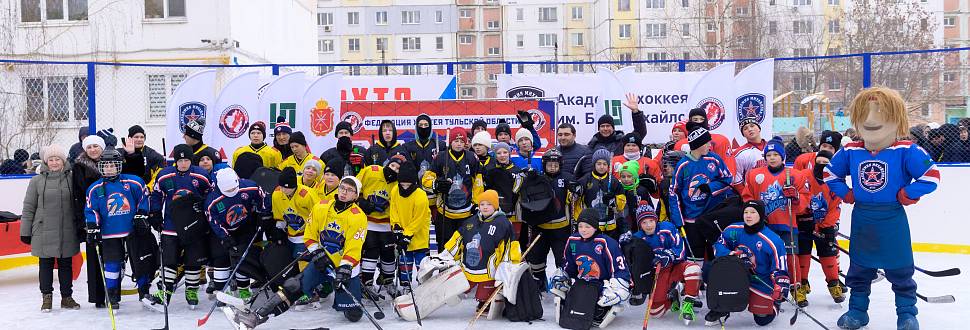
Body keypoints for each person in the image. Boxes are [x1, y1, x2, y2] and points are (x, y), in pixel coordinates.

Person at [824, 87, 940, 330]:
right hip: (863, 219)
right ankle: (857, 311)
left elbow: (932, 176)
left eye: (880, 112)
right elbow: (829, 173)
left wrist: (909, 193)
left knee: (900, 269)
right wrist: (846, 193)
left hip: (892, 219)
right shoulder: (851, 150)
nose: (871, 119)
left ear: (896, 117)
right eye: (865, 113)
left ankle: (907, 314)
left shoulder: (906, 150)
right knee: (859, 268)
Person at [425, 189, 519, 313]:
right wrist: (445, 254)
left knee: (483, 297)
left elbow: (509, 246)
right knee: (453, 291)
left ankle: (486, 300)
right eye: (482, 204)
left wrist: (509, 265)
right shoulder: (471, 221)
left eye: (489, 204)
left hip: (489, 270)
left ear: (496, 206)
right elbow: (458, 239)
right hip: (468, 267)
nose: (485, 207)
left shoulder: (503, 223)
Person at [143, 144, 213, 309]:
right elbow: (156, 195)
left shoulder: (201, 176)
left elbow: (209, 195)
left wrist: (205, 214)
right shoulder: (165, 175)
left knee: (193, 260)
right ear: (175, 161)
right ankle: (164, 292)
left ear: (191, 160)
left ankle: (191, 291)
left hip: (194, 226)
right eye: (180, 160)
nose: (183, 163)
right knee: (169, 260)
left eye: (186, 160)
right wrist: (154, 213)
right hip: (170, 225)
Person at [83, 149, 150, 309]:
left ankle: (144, 291)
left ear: (119, 166)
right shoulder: (95, 188)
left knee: (140, 262)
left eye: (113, 165)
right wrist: (92, 225)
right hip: (109, 233)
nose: (110, 168)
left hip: (132, 231)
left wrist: (142, 214)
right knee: (112, 264)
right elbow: (91, 210)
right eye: (106, 166)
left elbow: (143, 197)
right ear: (101, 167)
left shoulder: (133, 182)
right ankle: (112, 295)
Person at [706, 200, 790, 327]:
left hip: (760, 281)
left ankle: (773, 304)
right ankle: (722, 306)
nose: (748, 215)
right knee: (708, 270)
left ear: (761, 215)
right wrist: (731, 255)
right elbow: (718, 245)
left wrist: (779, 287)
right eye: (746, 212)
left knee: (762, 320)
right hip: (736, 278)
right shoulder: (733, 229)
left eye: (753, 212)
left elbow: (780, 268)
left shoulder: (773, 240)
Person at [741, 136, 809, 294]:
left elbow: (805, 202)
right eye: (768, 155)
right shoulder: (754, 175)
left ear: (782, 156)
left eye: (775, 155)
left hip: (787, 224)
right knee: (764, 257)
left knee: (791, 256)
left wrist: (797, 198)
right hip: (764, 226)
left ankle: (796, 288)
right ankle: (769, 287)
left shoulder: (795, 175)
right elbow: (747, 197)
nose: (772, 158)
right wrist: (754, 213)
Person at [20, 144, 82, 312]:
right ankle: (46, 297)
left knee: (66, 264)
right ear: (46, 162)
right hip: (43, 229)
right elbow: (28, 207)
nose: (54, 163)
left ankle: (66, 297)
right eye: (51, 160)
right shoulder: (37, 181)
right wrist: (25, 231)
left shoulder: (72, 178)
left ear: (63, 161)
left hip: (67, 229)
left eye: (58, 159)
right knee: (45, 264)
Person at [550, 208, 631, 328]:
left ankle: (602, 308)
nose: (583, 230)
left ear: (595, 226)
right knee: (560, 280)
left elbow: (620, 271)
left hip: (602, 285)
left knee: (612, 295)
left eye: (587, 226)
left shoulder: (606, 243)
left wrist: (618, 288)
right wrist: (563, 277)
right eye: (581, 226)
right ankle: (569, 304)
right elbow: (568, 266)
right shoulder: (573, 241)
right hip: (581, 284)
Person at [668, 122, 734, 263]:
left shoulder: (714, 159)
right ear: (698, 144)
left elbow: (728, 180)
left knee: (715, 252)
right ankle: (695, 283)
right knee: (694, 255)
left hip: (712, 216)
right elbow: (673, 193)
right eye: (707, 143)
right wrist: (678, 221)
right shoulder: (683, 165)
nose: (710, 146)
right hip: (691, 218)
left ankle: (714, 281)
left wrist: (711, 187)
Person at [626, 202, 701, 323]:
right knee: (655, 312)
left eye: (651, 220)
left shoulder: (667, 228)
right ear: (640, 224)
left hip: (676, 266)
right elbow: (632, 260)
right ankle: (673, 296)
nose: (648, 225)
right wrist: (624, 243)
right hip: (659, 272)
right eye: (644, 222)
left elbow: (681, 250)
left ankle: (688, 302)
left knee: (694, 269)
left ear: (656, 219)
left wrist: (667, 256)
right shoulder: (638, 238)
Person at [205, 168, 270, 302]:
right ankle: (222, 292)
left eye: (232, 189)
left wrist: (264, 215)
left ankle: (244, 290)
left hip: (245, 227)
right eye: (227, 190)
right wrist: (225, 237)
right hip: (224, 232)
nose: (231, 192)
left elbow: (263, 199)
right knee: (221, 259)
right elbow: (214, 222)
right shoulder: (212, 201)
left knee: (243, 257)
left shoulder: (250, 187)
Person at [793, 150, 845, 307]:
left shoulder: (835, 181)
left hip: (824, 225)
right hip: (803, 222)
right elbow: (799, 200)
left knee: (828, 254)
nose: (821, 166)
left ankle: (834, 284)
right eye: (819, 162)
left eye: (825, 163)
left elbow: (836, 207)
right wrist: (808, 221)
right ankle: (801, 286)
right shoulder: (803, 176)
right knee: (803, 255)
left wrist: (824, 226)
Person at [423, 127, 483, 252]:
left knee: (464, 247)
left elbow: (478, 182)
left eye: (462, 141)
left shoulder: (472, 158)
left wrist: (477, 203)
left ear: (466, 143)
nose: (459, 144)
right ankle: (444, 271)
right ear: (450, 142)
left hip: (466, 212)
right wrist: (436, 184)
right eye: (456, 141)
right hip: (445, 212)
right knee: (444, 249)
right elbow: (426, 179)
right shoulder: (441, 157)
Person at [522, 149, 572, 289]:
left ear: (560, 165)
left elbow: (576, 195)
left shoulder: (567, 178)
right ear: (544, 165)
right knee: (536, 257)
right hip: (540, 227)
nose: (552, 167)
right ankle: (539, 280)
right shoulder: (538, 178)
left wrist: (577, 189)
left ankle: (562, 282)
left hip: (561, 228)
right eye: (549, 164)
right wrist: (528, 179)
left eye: (555, 165)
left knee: (562, 258)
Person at [71, 134, 107, 307]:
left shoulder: (111, 162)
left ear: (102, 148)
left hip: (112, 217)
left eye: (96, 146)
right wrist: (83, 222)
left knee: (114, 257)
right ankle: (98, 296)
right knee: (94, 257)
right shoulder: (79, 167)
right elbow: (78, 196)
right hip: (91, 217)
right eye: (89, 147)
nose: (93, 150)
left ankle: (113, 292)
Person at [388, 161, 430, 294]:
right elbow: (393, 210)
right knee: (404, 262)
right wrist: (397, 229)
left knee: (421, 263)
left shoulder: (420, 195)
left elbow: (419, 218)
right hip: (403, 233)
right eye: (402, 184)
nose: (405, 187)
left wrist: (407, 235)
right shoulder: (395, 190)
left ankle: (424, 285)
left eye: (408, 185)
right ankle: (406, 286)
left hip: (418, 236)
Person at [571, 148, 627, 239]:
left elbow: (621, 203)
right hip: (590, 224)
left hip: (609, 225)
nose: (602, 167)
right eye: (599, 163)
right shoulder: (586, 179)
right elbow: (575, 201)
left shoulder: (613, 181)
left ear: (608, 165)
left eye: (605, 164)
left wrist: (613, 200)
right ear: (594, 164)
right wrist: (574, 192)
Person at [482, 142, 524, 249]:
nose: (502, 155)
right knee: (496, 241)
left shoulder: (517, 170)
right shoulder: (489, 170)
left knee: (513, 241)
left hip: (513, 214)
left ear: (509, 153)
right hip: (495, 213)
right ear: (495, 154)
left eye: (505, 152)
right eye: (499, 153)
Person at [272, 167, 319, 259]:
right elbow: (279, 216)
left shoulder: (307, 195)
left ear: (294, 186)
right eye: (281, 187)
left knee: (300, 260)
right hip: (290, 235)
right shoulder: (277, 193)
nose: (283, 190)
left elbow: (319, 216)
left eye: (287, 188)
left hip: (306, 236)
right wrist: (278, 229)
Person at [611, 132, 662, 200]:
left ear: (639, 147)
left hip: (641, 201)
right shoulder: (614, 161)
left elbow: (658, 194)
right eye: (628, 145)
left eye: (634, 145)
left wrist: (653, 188)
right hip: (619, 201)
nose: (630, 148)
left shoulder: (650, 163)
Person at [731, 116, 769, 191]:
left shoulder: (774, 147)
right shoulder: (739, 153)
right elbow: (737, 180)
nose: (750, 129)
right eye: (745, 128)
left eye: (752, 125)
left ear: (759, 128)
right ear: (743, 134)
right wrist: (746, 198)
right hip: (753, 193)